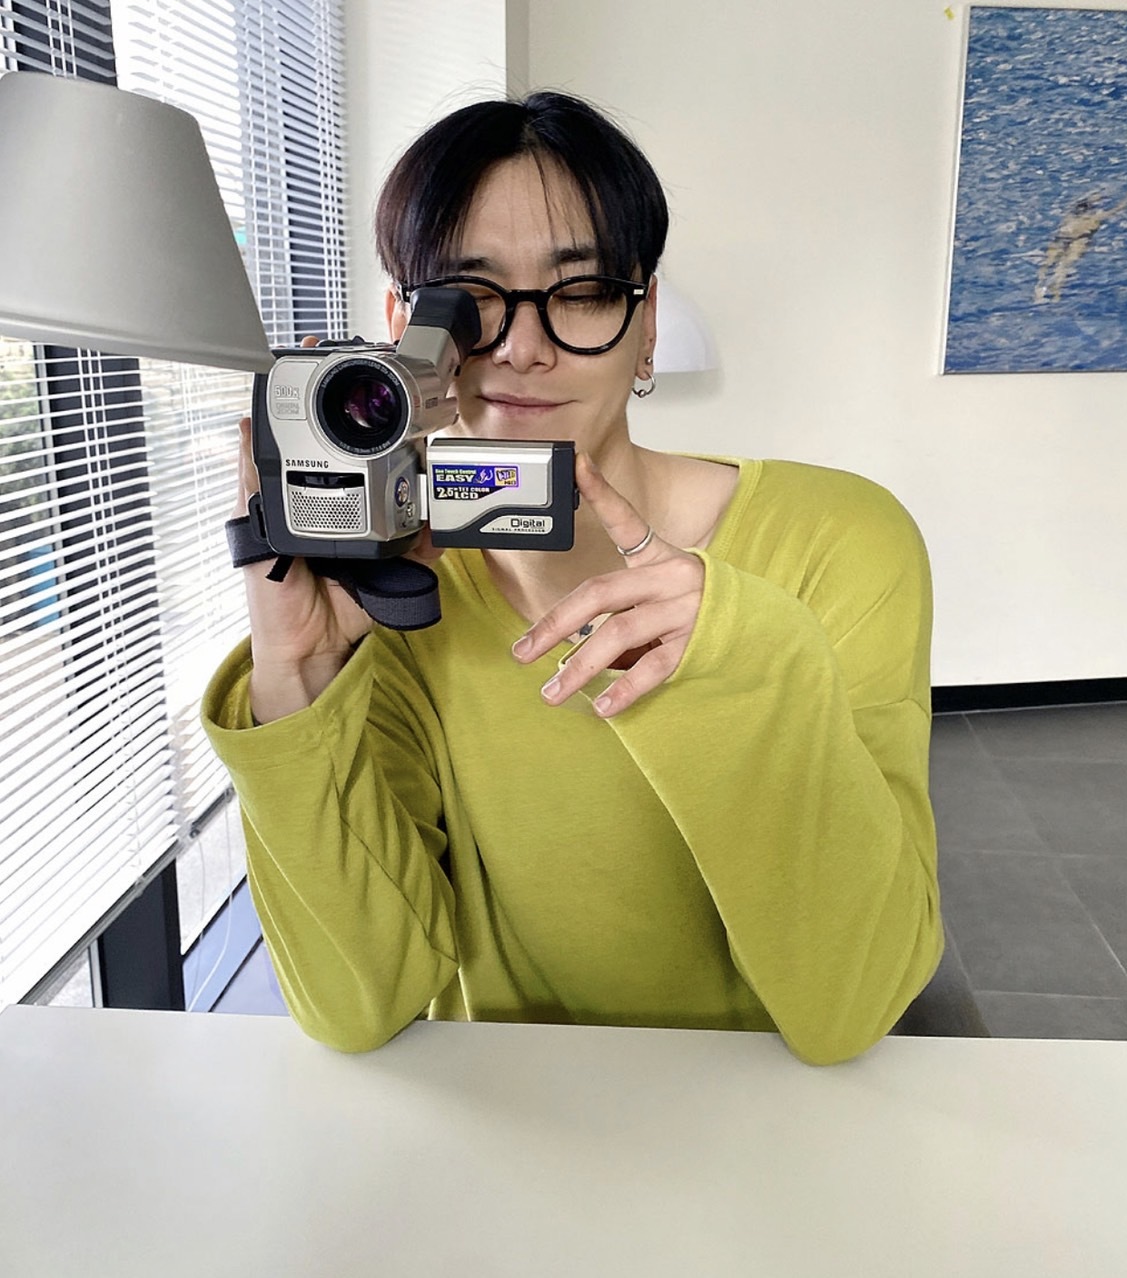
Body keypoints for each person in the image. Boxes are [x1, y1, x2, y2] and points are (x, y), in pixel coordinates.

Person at [202, 91, 942, 1066]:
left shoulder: (839, 542)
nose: (520, 346)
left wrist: (742, 655)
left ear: (646, 325)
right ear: (399, 328)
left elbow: (855, 1000)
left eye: (583, 289)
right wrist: (294, 672)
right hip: (516, 1115)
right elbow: (360, 1004)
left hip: (774, 1114)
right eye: (465, 297)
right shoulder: (394, 601)